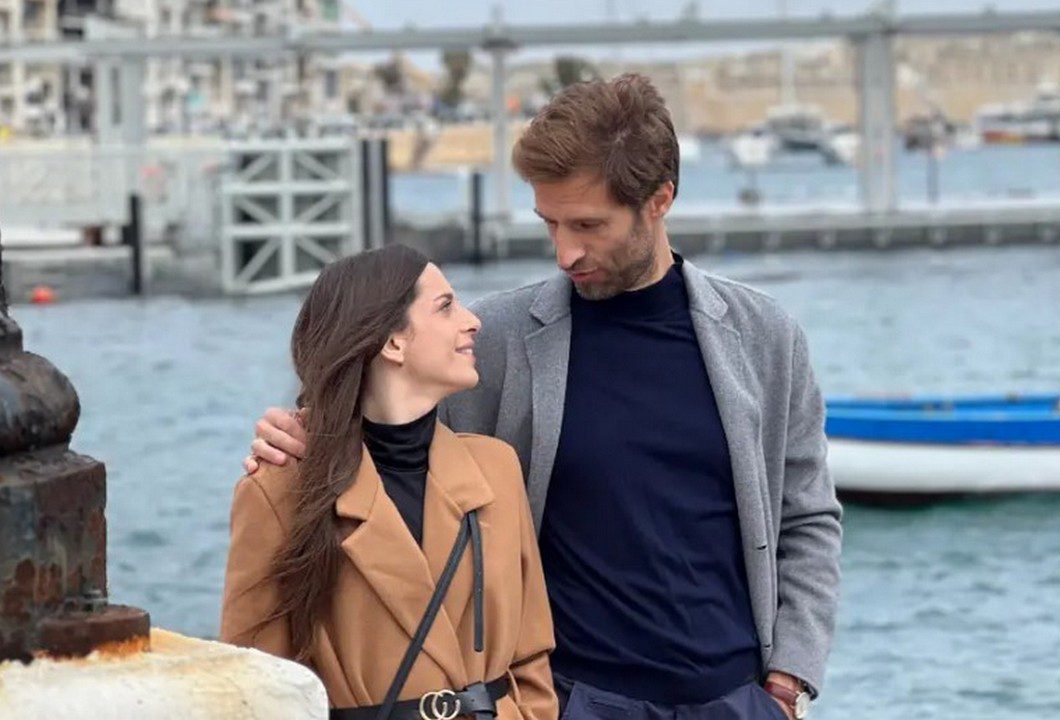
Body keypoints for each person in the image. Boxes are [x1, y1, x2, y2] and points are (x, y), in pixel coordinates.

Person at [246, 74, 841, 720]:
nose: (565, 253)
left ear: (659, 200)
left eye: (588, 225)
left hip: (738, 701)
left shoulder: (765, 336)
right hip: (571, 700)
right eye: (550, 223)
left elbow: (808, 518)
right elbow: (383, 435)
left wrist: (789, 682)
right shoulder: (495, 338)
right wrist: (304, 435)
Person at [221, 244, 557, 720]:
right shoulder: (278, 491)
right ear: (393, 343)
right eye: (445, 306)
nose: (472, 321)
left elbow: (531, 652)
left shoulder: (495, 468)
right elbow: (255, 687)